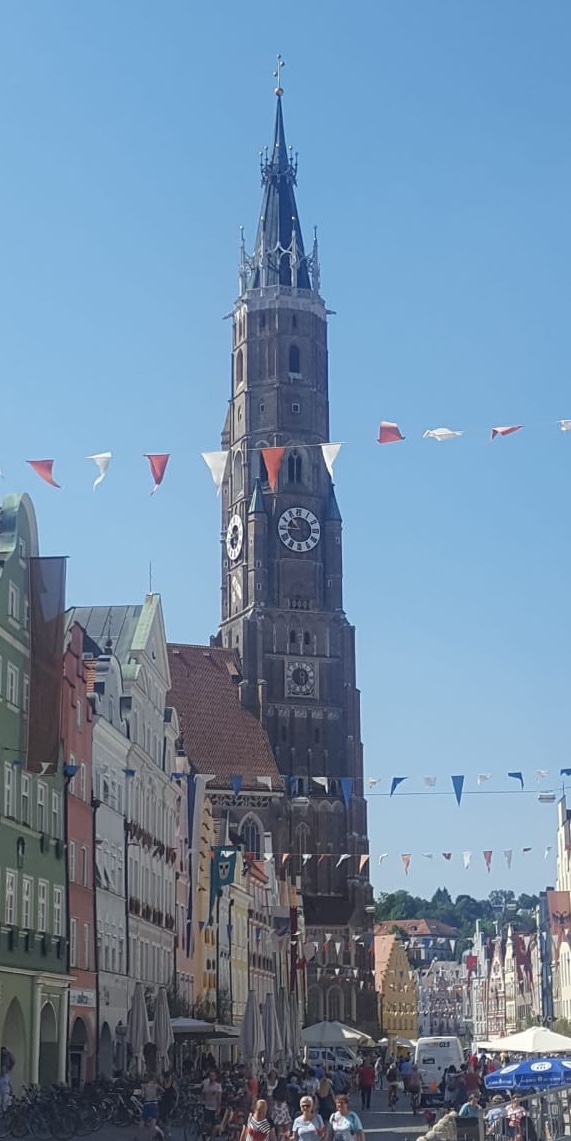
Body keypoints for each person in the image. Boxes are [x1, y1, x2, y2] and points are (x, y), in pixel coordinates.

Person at [141, 1073, 161, 1141]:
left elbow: (142, 1096)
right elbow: (163, 1091)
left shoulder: (144, 1086)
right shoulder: (156, 1085)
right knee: (153, 1121)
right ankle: (151, 1137)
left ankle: (138, 1136)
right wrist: (157, 1096)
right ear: (154, 1079)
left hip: (147, 1103)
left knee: (143, 1120)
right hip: (154, 1103)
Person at [202, 1070, 223, 1136]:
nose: (211, 1077)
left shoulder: (218, 1086)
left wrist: (218, 1108)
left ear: (215, 1077)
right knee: (207, 1124)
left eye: (213, 1075)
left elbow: (219, 1098)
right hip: (207, 1107)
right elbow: (203, 1095)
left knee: (214, 1125)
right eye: (210, 1075)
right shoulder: (206, 1086)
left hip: (214, 1108)